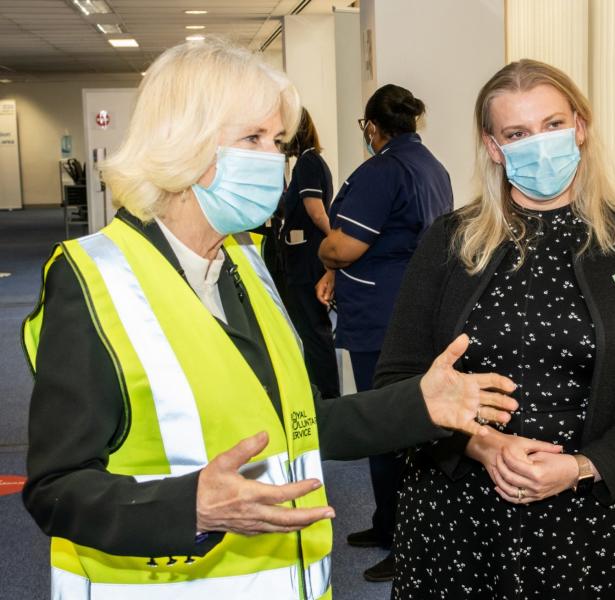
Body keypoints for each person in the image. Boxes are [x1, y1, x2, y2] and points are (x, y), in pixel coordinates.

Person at [20, 38, 518, 600]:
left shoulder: (245, 264)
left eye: (276, 141)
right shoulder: (93, 279)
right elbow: (56, 490)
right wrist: (191, 507)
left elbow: (301, 425)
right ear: (186, 142)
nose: (274, 159)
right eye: (252, 139)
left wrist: (419, 405)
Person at [375, 59, 615, 599]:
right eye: (518, 133)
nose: (540, 144)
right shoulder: (449, 244)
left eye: (552, 125)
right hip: (464, 513)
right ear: (494, 147)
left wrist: (579, 467)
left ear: (581, 126)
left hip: (603, 518)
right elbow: (398, 379)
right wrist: (482, 445)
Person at [318, 84, 454, 581]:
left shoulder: (382, 170)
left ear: (373, 127)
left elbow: (343, 247)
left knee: (390, 425)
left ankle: (405, 542)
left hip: (383, 316)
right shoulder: (431, 166)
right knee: (401, 423)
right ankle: (385, 525)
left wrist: (324, 258)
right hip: (413, 309)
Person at [279, 109, 339, 400]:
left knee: (313, 332)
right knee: (314, 331)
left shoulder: (307, 163)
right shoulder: (311, 162)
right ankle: (324, 395)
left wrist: (336, 241)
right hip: (305, 258)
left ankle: (325, 398)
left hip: (305, 260)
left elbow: (316, 213)